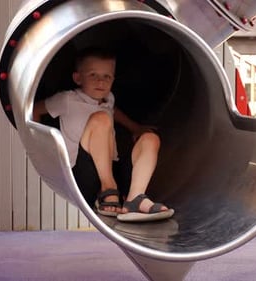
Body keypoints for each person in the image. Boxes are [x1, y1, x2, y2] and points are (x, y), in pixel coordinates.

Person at [33, 47, 174, 222]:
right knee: (101, 119)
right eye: (93, 75)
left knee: (150, 138)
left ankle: (135, 198)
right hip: (84, 174)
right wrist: (40, 146)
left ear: (113, 79)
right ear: (78, 78)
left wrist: (135, 128)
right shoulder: (67, 100)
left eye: (107, 76)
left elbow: (113, 111)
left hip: (111, 167)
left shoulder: (109, 98)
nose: (100, 81)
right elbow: (34, 110)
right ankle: (107, 188)